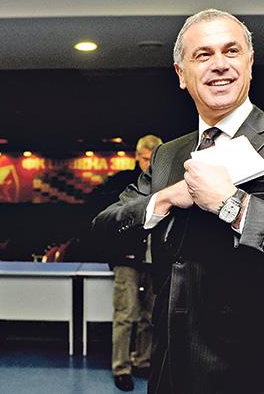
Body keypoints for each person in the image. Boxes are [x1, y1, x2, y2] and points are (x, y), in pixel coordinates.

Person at [93, 9, 264, 394]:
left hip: (256, 376)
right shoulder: (167, 156)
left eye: (231, 51)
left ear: (250, 64)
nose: (219, 64)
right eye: (203, 54)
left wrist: (234, 205)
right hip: (170, 374)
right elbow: (103, 231)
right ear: (181, 74)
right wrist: (165, 198)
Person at [90, 135, 163, 392]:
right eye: (145, 158)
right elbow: (104, 216)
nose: (149, 164)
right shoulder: (123, 183)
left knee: (150, 317)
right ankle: (121, 368)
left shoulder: (165, 181)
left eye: (153, 159)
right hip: (127, 259)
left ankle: (142, 360)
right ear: (137, 157)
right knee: (125, 315)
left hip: (155, 259)